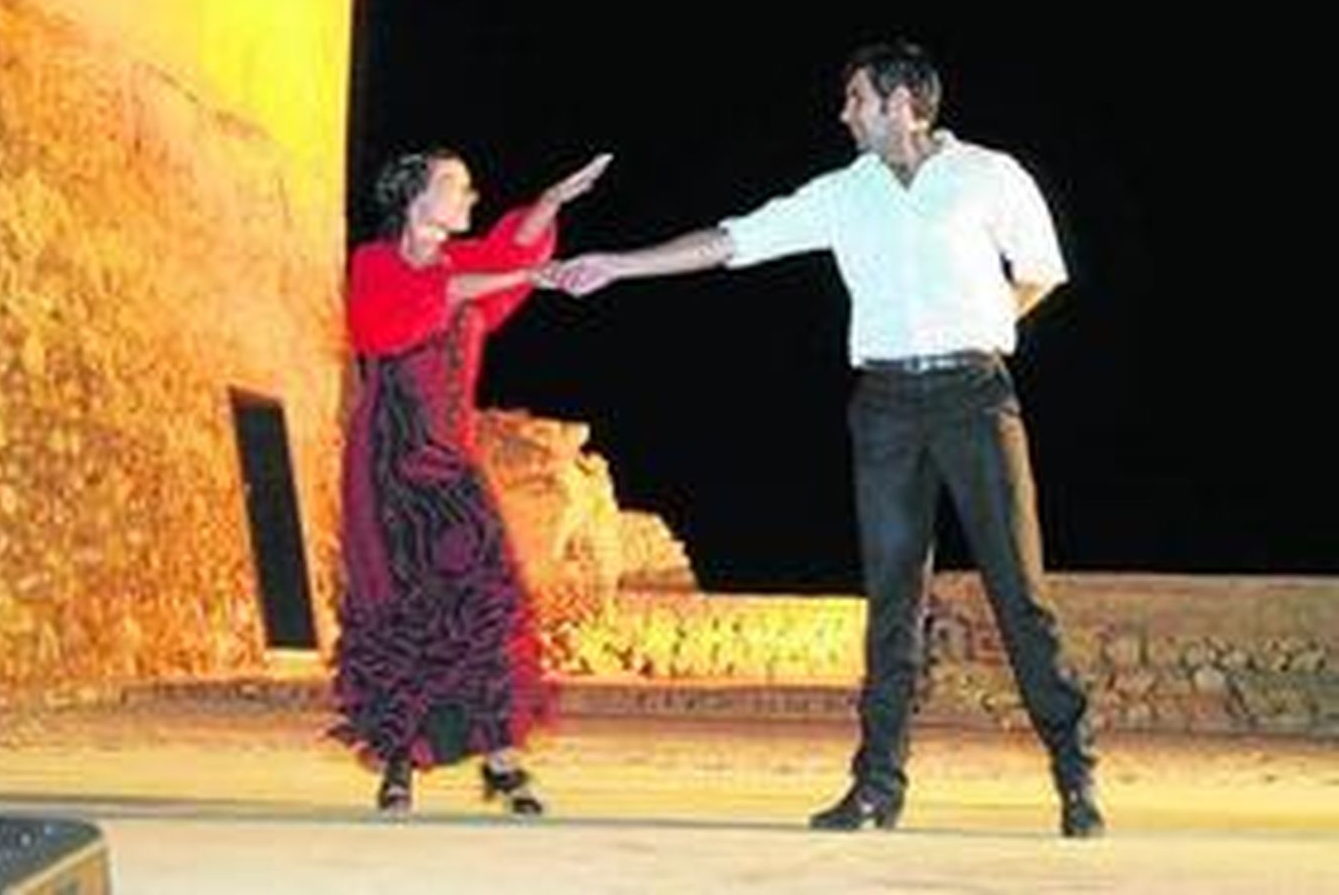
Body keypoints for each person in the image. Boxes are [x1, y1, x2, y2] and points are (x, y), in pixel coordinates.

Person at [544, 41, 1104, 838]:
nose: (844, 113)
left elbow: (1041, 268)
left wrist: (983, 323)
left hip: (975, 398)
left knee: (1019, 590)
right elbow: (733, 239)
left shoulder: (989, 175)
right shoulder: (844, 195)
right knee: (891, 600)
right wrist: (617, 265)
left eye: (857, 99)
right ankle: (877, 788)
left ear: (903, 102)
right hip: (884, 406)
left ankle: (1075, 773)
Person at [333, 147, 612, 815]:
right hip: (390, 459)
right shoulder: (374, 264)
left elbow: (505, 256)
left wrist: (550, 201)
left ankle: (501, 758)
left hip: (451, 458)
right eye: (455, 185)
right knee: (401, 608)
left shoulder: (466, 266)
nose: (472, 194)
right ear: (414, 199)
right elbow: (391, 322)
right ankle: (400, 761)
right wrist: (525, 272)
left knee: (487, 598)